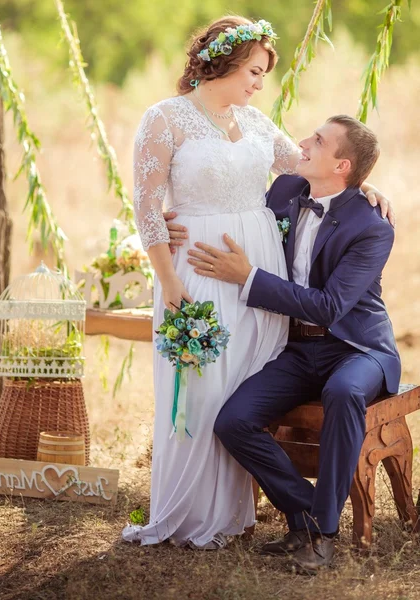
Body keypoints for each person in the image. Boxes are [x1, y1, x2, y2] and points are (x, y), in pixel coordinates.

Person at [123, 15, 389, 550]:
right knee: (200, 388)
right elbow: (146, 204)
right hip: (195, 268)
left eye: (264, 74)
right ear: (221, 61)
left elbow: (317, 168)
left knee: (237, 381)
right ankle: (194, 512)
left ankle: (237, 512)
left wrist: (368, 185)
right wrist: (168, 277)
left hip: (256, 275)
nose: (258, 83)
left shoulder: (256, 122)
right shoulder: (164, 119)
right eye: (253, 70)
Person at [180, 115, 400, 571]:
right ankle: (308, 510)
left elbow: (327, 307)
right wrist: (174, 221)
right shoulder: (284, 191)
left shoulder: (373, 226)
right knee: (233, 421)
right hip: (297, 348)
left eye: (317, 141)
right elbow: (236, 221)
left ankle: (323, 534)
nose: (302, 143)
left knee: (343, 392)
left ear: (342, 166)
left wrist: (250, 279)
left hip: (357, 348)